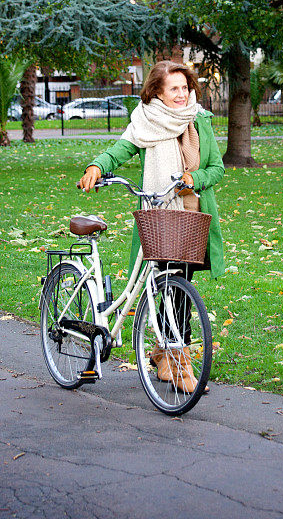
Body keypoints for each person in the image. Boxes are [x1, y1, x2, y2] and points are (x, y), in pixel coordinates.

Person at [77, 60, 225, 393]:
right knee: (167, 283)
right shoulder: (145, 121)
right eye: (174, 88)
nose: (182, 94)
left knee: (180, 287)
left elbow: (217, 169)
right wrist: (97, 167)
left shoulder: (199, 120)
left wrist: (193, 178)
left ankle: (171, 354)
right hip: (159, 213)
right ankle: (171, 356)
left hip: (192, 214)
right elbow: (121, 149)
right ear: (156, 90)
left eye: (185, 88)